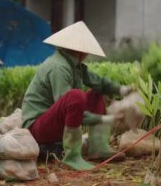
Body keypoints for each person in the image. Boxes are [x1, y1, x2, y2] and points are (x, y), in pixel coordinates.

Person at [22, 21, 132, 171]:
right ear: (80, 51)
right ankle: (72, 156)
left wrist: (123, 90)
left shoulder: (74, 65)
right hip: (38, 127)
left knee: (96, 93)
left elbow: (99, 83)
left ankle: (97, 147)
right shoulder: (59, 67)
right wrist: (107, 118)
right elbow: (67, 104)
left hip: (52, 120)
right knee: (75, 96)